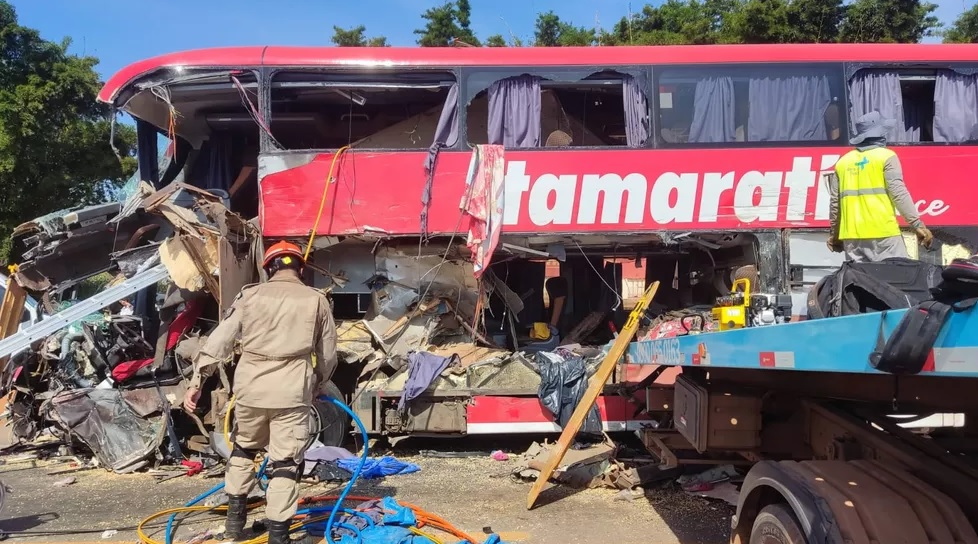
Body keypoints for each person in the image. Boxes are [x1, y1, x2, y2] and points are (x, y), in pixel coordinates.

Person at [182, 240, 337, 544]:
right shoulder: (316, 300)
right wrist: (318, 382)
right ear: (300, 268)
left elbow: (219, 341)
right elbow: (329, 353)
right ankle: (278, 538)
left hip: (251, 390)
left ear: (269, 268)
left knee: (243, 451)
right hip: (292, 392)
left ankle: (233, 528)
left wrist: (197, 382)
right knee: (285, 463)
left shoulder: (250, 296)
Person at [827, 111, 933, 262]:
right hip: (883, 235)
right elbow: (899, 194)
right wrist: (917, 224)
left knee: (860, 283)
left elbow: (835, 205)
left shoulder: (843, 162)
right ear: (881, 133)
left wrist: (835, 235)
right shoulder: (886, 157)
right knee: (897, 279)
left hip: (852, 238)